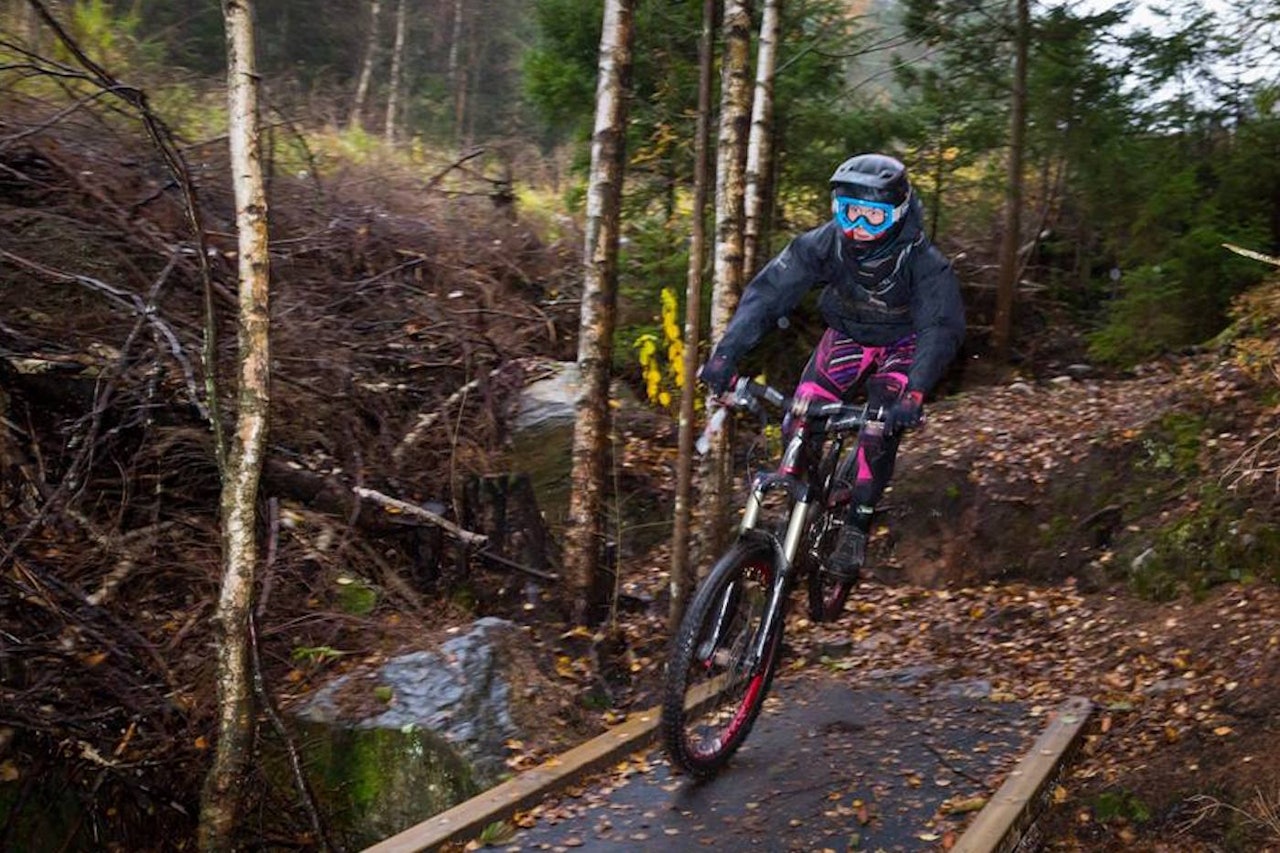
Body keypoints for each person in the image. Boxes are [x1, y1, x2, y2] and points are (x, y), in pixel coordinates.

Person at [698, 153, 965, 582]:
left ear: (896, 215)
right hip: (848, 335)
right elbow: (769, 293)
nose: (857, 226)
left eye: (872, 217)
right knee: (799, 415)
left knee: (878, 430)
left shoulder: (924, 262)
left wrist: (915, 392)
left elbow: (941, 327)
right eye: (848, 213)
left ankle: (857, 521)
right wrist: (726, 355)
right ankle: (809, 497)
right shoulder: (825, 242)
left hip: (904, 343)